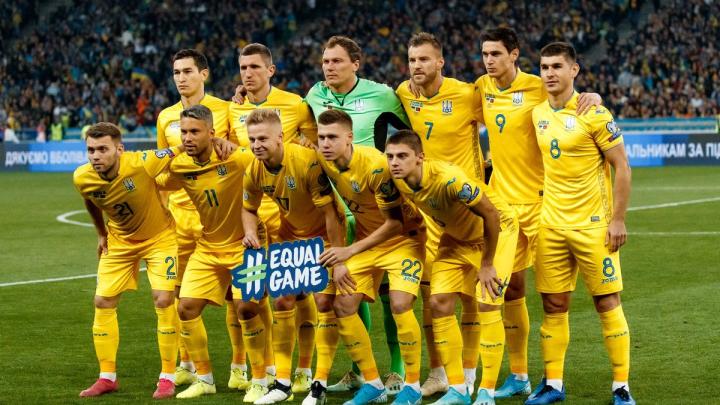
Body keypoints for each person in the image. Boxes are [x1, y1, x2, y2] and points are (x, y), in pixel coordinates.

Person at [474, 28, 602, 399]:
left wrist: (594, 95)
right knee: (506, 288)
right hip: (504, 206)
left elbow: (571, 99)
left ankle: (552, 378)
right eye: (485, 54)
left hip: (544, 205)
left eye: (496, 54)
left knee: (553, 297)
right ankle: (517, 376)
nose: (488, 60)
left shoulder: (537, 86)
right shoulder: (480, 87)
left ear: (514, 55)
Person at [526, 42, 634, 405]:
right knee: (553, 305)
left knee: (607, 303)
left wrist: (617, 219)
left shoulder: (595, 114)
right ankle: (553, 385)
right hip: (551, 225)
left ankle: (621, 387)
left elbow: (622, 166)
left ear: (574, 70)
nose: (549, 73)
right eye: (544, 67)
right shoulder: (537, 112)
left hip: (593, 227)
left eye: (557, 66)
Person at [385, 129, 517, 405]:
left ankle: (487, 392)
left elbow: (491, 215)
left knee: (487, 303)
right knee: (439, 303)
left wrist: (487, 263)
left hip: (496, 232)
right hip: (455, 239)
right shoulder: (397, 181)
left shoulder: (449, 178)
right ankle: (458, 389)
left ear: (420, 158)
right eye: (390, 156)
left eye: (402, 156)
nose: (394, 162)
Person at [312, 109, 426, 405]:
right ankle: (373, 383)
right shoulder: (322, 161)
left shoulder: (375, 167)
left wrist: (347, 252)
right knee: (343, 304)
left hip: (403, 239)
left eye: (332, 137)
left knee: (399, 303)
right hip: (368, 242)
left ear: (349, 138)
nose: (326, 143)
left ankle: (412, 387)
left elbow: (395, 223)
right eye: (321, 137)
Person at [395, 32, 486, 397]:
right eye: (411, 60)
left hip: (469, 209)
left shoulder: (466, 94)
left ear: (440, 62)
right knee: (433, 298)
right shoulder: (403, 93)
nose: (416, 66)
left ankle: (469, 373)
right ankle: (439, 374)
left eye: (423, 59)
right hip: (429, 214)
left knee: (473, 297)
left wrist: (588, 97)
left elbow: (511, 112)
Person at [229, 43, 320, 394]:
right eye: (243, 68)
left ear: (270, 70)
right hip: (250, 220)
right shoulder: (232, 108)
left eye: (254, 67)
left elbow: (315, 146)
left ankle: (302, 369)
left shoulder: (295, 104)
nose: (248, 73)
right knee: (249, 301)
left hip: (289, 222)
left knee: (296, 296)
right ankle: (261, 374)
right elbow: (226, 149)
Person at [157, 105, 264, 399]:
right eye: (184, 132)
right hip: (208, 247)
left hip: (247, 246)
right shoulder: (180, 165)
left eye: (195, 131)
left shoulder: (236, 158)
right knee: (186, 307)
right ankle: (204, 379)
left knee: (247, 308)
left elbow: (265, 162)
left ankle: (260, 379)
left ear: (211, 133)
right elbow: (156, 179)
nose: (187, 138)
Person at [241, 108, 344, 404]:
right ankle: (282, 384)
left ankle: (318, 384)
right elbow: (248, 208)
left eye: (263, 139)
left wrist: (338, 258)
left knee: (324, 302)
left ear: (280, 137)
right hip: (289, 237)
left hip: (323, 236)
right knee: (282, 300)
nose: (256, 145)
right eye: (252, 139)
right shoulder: (255, 169)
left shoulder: (306, 162)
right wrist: (250, 232)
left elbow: (330, 214)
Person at [155, 49, 245, 390]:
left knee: (236, 297)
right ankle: (188, 364)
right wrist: (161, 213)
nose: (181, 78)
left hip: (220, 217)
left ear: (203, 74)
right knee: (180, 296)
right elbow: (163, 168)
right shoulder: (165, 117)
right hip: (180, 219)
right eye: (176, 72)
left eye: (188, 71)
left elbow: (237, 157)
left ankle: (239, 366)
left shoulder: (226, 109)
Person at [74, 122, 182, 399]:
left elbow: (179, 148)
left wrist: (216, 143)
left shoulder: (143, 162)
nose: (95, 156)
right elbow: (90, 199)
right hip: (120, 241)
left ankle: (168, 377)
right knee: (102, 301)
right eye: (91, 150)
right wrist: (101, 233)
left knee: (163, 299)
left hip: (160, 238)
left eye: (103, 149)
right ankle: (107, 377)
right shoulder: (82, 177)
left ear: (119, 149)